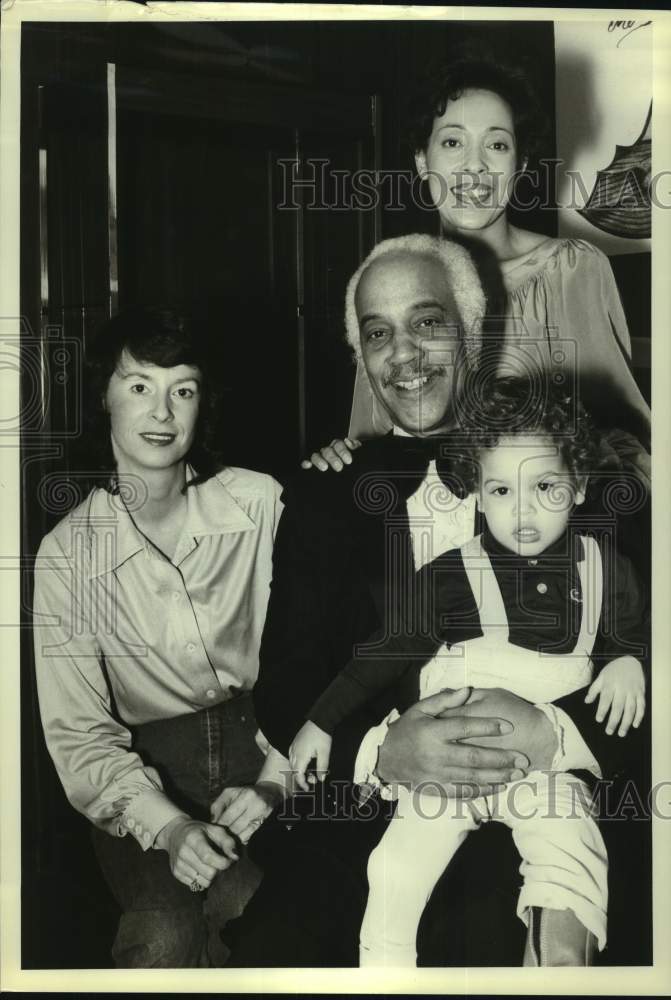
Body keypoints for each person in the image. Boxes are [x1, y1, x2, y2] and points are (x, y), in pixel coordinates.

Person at [223, 236, 648, 967]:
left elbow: (642, 653)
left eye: (427, 323)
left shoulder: (582, 476)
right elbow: (286, 686)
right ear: (361, 356)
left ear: (474, 331)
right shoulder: (327, 493)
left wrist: (554, 733)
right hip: (377, 818)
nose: (404, 355)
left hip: (562, 795)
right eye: (378, 333)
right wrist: (383, 752)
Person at [289, 377, 648, 967]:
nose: (524, 509)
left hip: (545, 767)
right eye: (503, 489)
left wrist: (627, 660)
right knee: (397, 863)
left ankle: (559, 966)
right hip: (448, 763)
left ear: (580, 485)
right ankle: (385, 968)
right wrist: (321, 723)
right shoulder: (450, 574)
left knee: (572, 848)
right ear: (478, 494)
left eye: (546, 486)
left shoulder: (609, 569)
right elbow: (384, 653)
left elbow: (636, 632)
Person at [32, 307, 284, 967]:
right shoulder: (66, 555)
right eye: (139, 386)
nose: (163, 411)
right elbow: (80, 734)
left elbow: (318, 656)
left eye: (183, 389)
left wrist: (278, 781)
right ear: (104, 400)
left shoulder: (261, 504)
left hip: (266, 744)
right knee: (163, 938)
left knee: (265, 915)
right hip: (144, 770)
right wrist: (168, 827)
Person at [306, 48, 650, 480]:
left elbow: (627, 441)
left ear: (520, 162)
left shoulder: (571, 271)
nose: (474, 165)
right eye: (452, 142)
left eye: (497, 144)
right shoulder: (392, 285)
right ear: (421, 160)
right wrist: (341, 457)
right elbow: (373, 437)